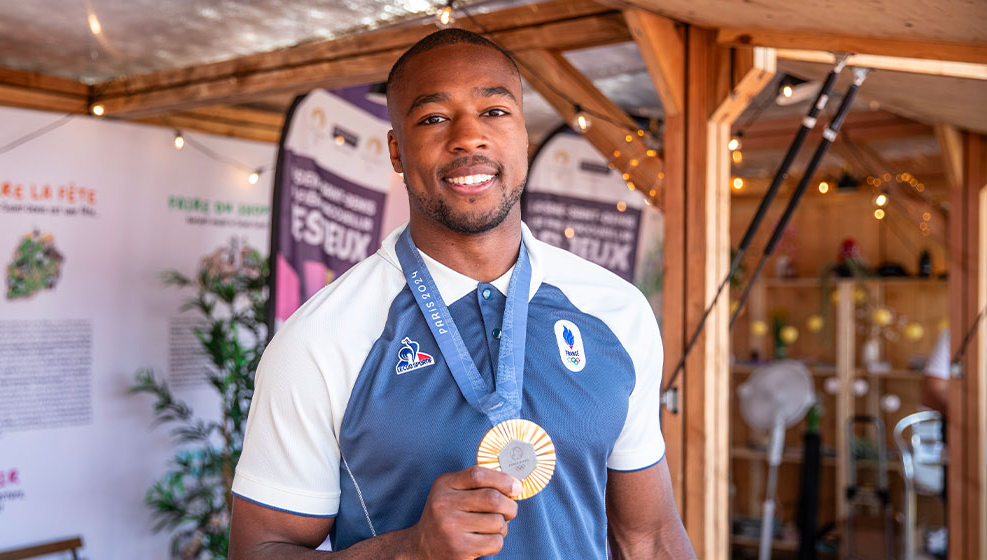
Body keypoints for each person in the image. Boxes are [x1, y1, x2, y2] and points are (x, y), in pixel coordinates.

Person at [229, 28, 694, 559]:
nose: (468, 137)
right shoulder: (322, 338)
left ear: (523, 135)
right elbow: (258, 550)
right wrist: (409, 551)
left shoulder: (616, 310)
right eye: (433, 118)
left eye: (495, 112)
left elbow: (650, 538)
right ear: (397, 151)